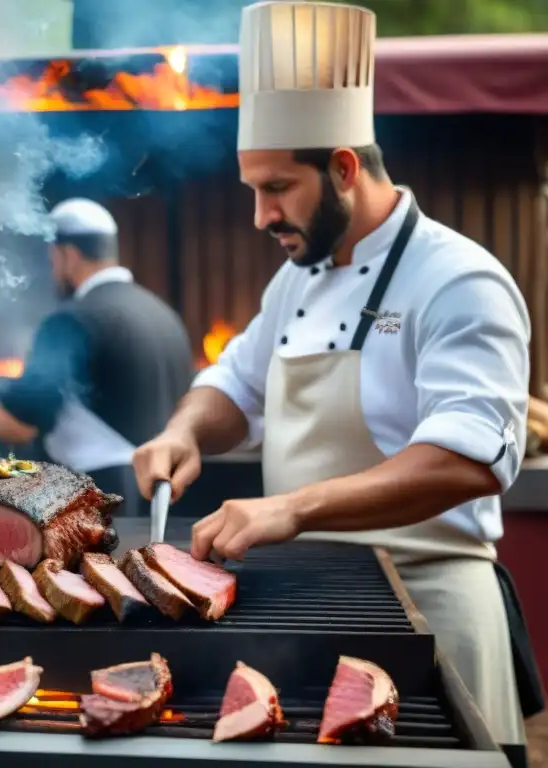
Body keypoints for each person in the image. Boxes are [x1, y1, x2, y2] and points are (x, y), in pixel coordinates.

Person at [132, 1, 531, 749]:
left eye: (277, 188)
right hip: (306, 608)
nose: (259, 216)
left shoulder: (459, 280)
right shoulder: (298, 281)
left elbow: (472, 457)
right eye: (253, 189)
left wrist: (293, 508)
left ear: (343, 167)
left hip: (430, 605)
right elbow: (234, 386)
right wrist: (183, 430)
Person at [0, 198, 193, 514]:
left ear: (68, 255)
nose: (54, 269)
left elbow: (16, 424)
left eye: (53, 260)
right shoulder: (164, 314)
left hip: (97, 499)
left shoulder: (70, 320)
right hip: (165, 497)